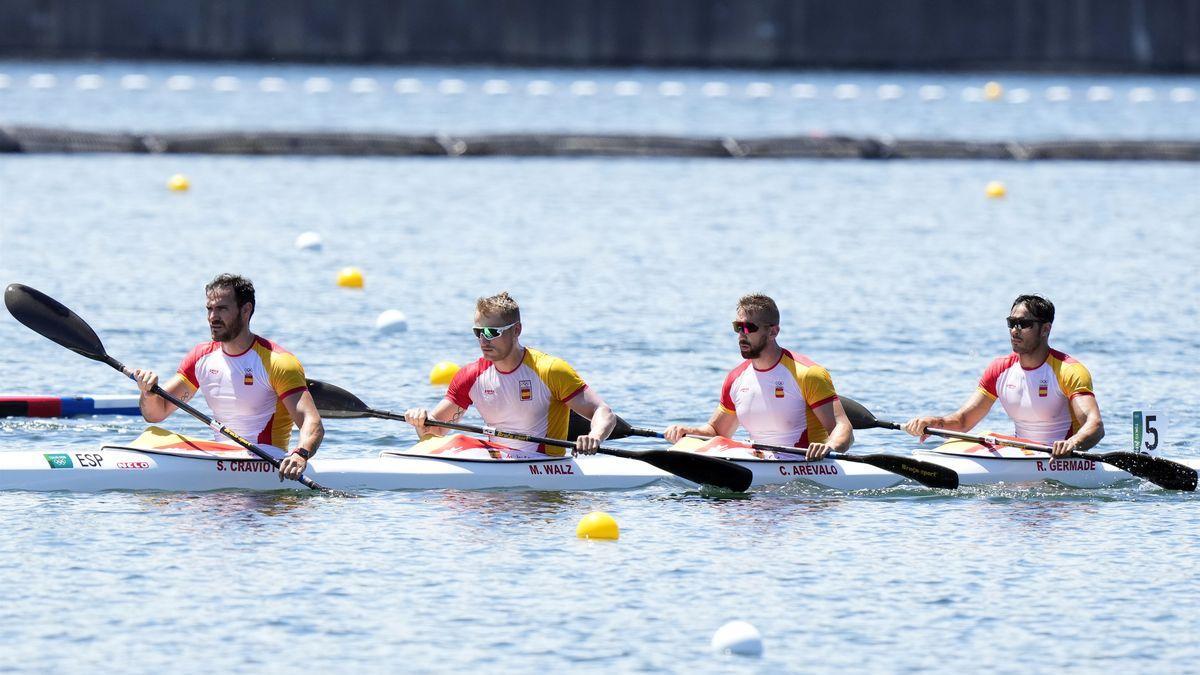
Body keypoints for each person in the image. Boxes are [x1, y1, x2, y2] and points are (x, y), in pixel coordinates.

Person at [130, 274, 324, 481]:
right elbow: (156, 413)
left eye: (221, 309)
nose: (212, 317)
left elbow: (311, 422)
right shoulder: (200, 358)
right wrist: (147, 393)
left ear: (246, 310)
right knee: (152, 436)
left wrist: (301, 454)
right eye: (209, 309)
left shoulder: (277, 362)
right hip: (219, 455)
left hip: (265, 461)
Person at [404, 292, 615, 455]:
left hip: (542, 464)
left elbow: (604, 412)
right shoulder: (470, 376)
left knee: (461, 443)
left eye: (491, 332)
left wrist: (594, 436)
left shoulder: (550, 371)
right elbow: (434, 432)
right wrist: (420, 420)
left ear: (517, 330)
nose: (483, 340)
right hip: (494, 459)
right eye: (478, 332)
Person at [903, 294, 1104, 457]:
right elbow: (963, 421)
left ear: (1045, 329)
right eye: (1011, 323)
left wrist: (1072, 444)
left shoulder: (1068, 371)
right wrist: (932, 422)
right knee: (965, 439)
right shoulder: (1000, 369)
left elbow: (1094, 425)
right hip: (1021, 454)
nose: (1015, 331)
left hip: (1059, 459)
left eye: (1024, 324)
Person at [664, 293, 854, 461]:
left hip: (804, 468)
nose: (741, 335)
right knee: (687, 447)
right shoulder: (736, 378)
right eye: (737, 327)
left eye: (748, 328)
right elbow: (717, 432)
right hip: (759, 462)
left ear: (773, 331)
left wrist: (830, 447)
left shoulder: (807, 374)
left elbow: (843, 428)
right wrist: (687, 432)